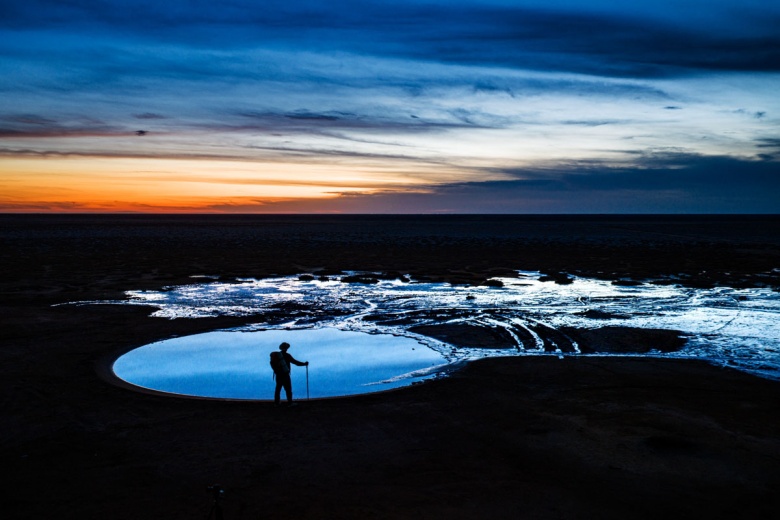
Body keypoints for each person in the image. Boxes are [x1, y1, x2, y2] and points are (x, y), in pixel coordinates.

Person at [270, 342, 308, 406]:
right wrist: (304, 364)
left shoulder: (276, 356)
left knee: (278, 389)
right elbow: (295, 362)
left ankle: (277, 403)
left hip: (278, 375)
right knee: (288, 389)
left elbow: (272, 363)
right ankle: (290, 403)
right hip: (285, 375)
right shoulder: (287, 355)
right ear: (287, 348)